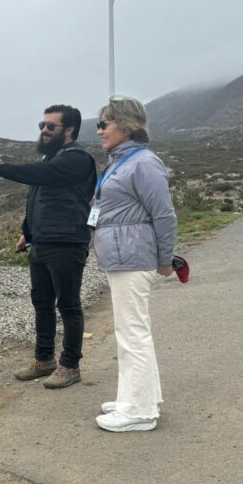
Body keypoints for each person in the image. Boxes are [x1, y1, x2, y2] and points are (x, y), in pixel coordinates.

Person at [0, 104, 97, 389]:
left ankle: (70, 365)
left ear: (69, 130)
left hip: (67, 242)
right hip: (41, 243)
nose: (44, 130)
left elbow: (38, 177)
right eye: (42, 125)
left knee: (68, 304)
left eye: (50, 126)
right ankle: (44, 360)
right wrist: (27, 233)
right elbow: (37, 200)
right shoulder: (50, 163)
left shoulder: (77, 159)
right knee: (41, 303)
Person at [90, 96, 177, 433]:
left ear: (126, 125)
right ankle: (137, 397)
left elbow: (164, 214)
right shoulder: (122, 161)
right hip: (122, 255)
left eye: (104, 124)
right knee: (129, 330)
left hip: (132, 256)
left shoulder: (143, 163)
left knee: (133, 333)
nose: (99, 131)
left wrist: (165, 259)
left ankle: (139, 413)